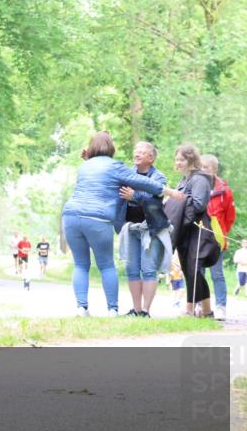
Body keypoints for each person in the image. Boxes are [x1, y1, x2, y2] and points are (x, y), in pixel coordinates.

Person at [61, 132, 184, 317]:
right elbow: (143, 182)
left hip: (70, 216)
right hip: (97, 218)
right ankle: (112, 309)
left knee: (80, 264)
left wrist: (88, 159)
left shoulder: (84, 167)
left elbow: (98, 174)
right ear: (111, 148)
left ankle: (82, 307)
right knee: (106, 265)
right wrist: (170, 192)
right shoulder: (115, 167)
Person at [118, 141, 171, 317]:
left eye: (142, 151)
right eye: (136, 150)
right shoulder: (127, 173)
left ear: (151, 158)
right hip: (131, 228)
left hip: (151, 228)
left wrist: (134, 195)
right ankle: (136, 309)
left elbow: (153, 198)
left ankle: (146, 311)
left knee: (148, 269)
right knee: (132, 269)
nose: (137, 153)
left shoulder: (159, 177)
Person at [163, 144, 217, 317]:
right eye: (176, 159)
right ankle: (207, 311)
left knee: (194, 268)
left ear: (191, 160)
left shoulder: (200, 179)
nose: (177, 163)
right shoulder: (184, 180)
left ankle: (190, 309)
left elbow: (199, 204)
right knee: (189, 270)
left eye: (181, 159)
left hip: (197, 230)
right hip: (184, 230)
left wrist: (176, 199)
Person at [202, 154, 236, 320]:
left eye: (206, 167)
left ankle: (221, 307)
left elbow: (230, 216)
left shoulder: (224, 190)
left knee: (217, 274)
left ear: (214, 169)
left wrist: (222, 232)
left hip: (216, 236)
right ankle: (199, 305)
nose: (203, 170)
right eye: (201, 167)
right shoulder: (195, 184)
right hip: (199, 234)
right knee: (198, 272)